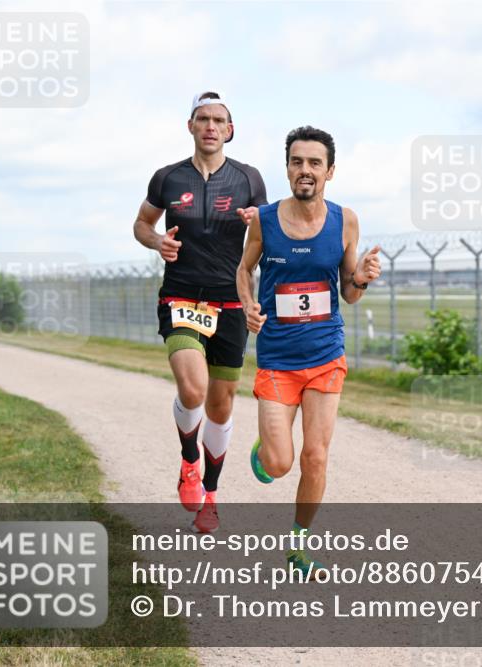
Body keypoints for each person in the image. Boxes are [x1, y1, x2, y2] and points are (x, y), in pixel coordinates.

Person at [235, 126, 381, 574]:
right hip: (278, 357)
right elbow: (244, 270)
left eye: (315, 163)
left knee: (315, 455)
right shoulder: (263, 219)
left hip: (324, 356)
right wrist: (248, 308)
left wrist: (361, 278)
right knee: (279, 464)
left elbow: (349, 294)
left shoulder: (345, 221)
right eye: (297, 162)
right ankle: (266, 449)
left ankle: (299, 544)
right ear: (288, 168)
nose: (305, 170)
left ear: (329, 171)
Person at [133, 92, 267, 533]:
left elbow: (265, 239)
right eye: (203, 118)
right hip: (182, 296)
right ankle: (189, 459)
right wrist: (157, 242)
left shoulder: (249, 178)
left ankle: (210, 494)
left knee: (221, 405)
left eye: (219, 120)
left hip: (230, 301)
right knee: (192, 390)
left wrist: (256, 222)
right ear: (190, 126)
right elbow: (141, 224)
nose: (211, 126)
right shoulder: (168, 178)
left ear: (230, 130)